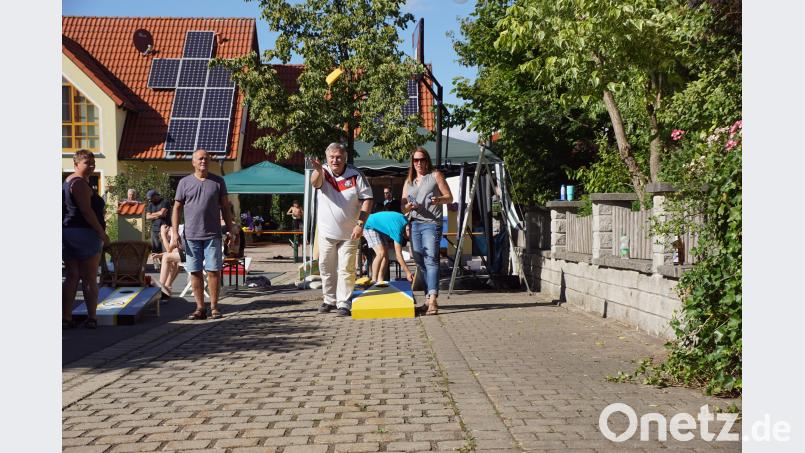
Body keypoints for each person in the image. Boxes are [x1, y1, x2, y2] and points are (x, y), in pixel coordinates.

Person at [171, 149, 236, 320]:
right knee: (195, 271)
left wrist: (230, 229)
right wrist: (175, 232)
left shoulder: (218, 181)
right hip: (191, 236)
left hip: (213, 235)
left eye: (206, 159)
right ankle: (200, 308)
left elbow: (225, 208)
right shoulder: (184, 183)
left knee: (214, 271)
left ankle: (214, 307)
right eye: (200, 159)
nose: (203, 161)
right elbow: (176, 209)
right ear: (193, 162)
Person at [310, 142, 373, 317]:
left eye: (338, 157)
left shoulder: (355, 174)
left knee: (346, 268)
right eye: (331, 157)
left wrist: (360, 224)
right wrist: (317, 170)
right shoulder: (323, 171)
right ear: (327, 158)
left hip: (350, 233)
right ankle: (329, 300)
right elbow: (315, 183)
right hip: (326, 231)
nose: (335, 160)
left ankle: (344, 302)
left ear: (344, 157)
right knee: (325, 267)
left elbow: (367, 199)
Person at [62, 150, 111, 329]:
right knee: (89, 277)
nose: (91, 166)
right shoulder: (79, 184)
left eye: (92, 162)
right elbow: (87, 211)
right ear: (76, 164)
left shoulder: (68, 182)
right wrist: (101, 233)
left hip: (69, 232)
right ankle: (91, 317)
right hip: (85, 233)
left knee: (72, 276)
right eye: (86, 163)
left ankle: (66, 317)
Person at [402, 147, 453, 315]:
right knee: (419, 261)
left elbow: (449, 197)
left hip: (432, 223)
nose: (419, 163)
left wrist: (438, 199)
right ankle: (427, 298)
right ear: (412, 162)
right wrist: (408, 207)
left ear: (427, 160)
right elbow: (402, 208)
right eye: (415, 160)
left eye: (421, 159)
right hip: (415, 224)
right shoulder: (409, 181)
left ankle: (433, 299)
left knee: (431, 258)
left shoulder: (435, 175)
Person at [363, 211, 413, 284]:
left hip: (378, 227)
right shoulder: (397, 231)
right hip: (368, 225)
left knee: (386, 255)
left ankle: (380, 279)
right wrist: (408, 272)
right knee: (381, 253)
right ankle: (373, 280)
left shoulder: (406, 221)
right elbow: (398, 255)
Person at [153, 224, 183, 300]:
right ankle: (167, 286)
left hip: (192, 255)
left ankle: (160, 288)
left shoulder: (173, 230)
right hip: (191, 254)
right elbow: (172, 250)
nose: (168, 240)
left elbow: (169, 250)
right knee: (172, 257)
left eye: (167, 239)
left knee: (166, 257)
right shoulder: (177, 229)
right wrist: (160, 254)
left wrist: (163, 235)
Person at [145, 189, 171, 254]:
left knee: (165, 250)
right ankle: (156, 264)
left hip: (165, 229)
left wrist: (152, 214)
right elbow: (147, 217)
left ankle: (165, 263)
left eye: (151, 198)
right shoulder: (150, 204)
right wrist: (158, 214)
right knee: (155, 250)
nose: (150, 200)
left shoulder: (165, 202)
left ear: (155, 196)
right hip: (154, 230)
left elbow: (162, 213)